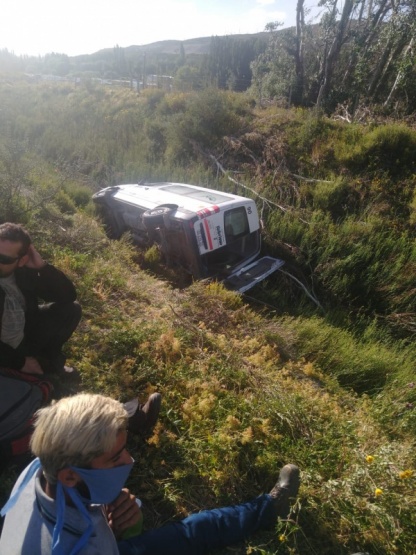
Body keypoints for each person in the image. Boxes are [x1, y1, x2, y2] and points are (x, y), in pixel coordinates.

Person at [0, 393, 300, 555]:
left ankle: (269, 508)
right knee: (190, 532)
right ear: (69, 476)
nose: (129, 460)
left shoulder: (38, 468)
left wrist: (108, 528)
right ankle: (269, 509)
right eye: (116, 457)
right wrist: (108, 535)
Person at [0, 222, 81, 377]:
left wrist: (42, 267)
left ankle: (49, 363)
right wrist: (19, 362)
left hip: (24, 331)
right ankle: (31, 370)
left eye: (4, 259)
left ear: (21, 260)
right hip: (4, 347)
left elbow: (67, 296)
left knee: (71, 310)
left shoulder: (23, 272)